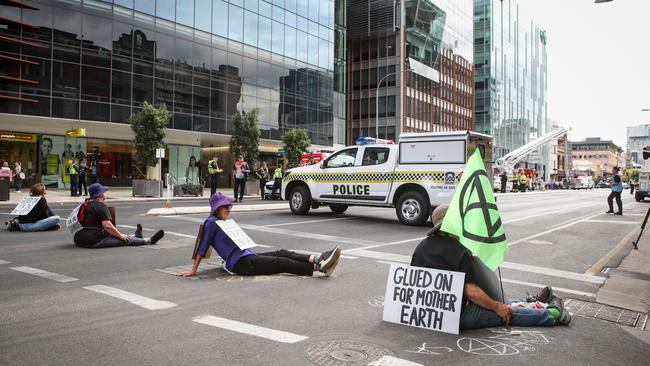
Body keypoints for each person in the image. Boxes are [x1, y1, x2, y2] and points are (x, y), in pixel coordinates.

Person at [411, 204, 571, 329]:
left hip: (427, 314)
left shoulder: (421, 247)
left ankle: (530, 302)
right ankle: (553, 314)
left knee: (499, 303)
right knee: (506, 312)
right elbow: (471, 292)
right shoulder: (459, 250)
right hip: (456, 317)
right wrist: (496, 307)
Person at [177, 192, 341, 278]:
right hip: (242, 263)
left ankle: (318, 258)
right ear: (216, 208)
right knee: (280, 262)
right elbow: (202, 247)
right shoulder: (211, 222)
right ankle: (317, 268)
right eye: (225, 206)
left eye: (229, 205)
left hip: (248, 256)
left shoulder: (223, 221)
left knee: (282, 252)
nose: (229, 208)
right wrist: (193, 271)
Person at [73, 183, 165, 248]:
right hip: (93, 240)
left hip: (79, 239)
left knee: (117, 235)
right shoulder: (101, 207)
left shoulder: (85, 205)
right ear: (101, 194)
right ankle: (149, 240)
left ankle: (136, 235)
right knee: (124, 240)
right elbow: (107, 226)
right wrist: (120, 235)